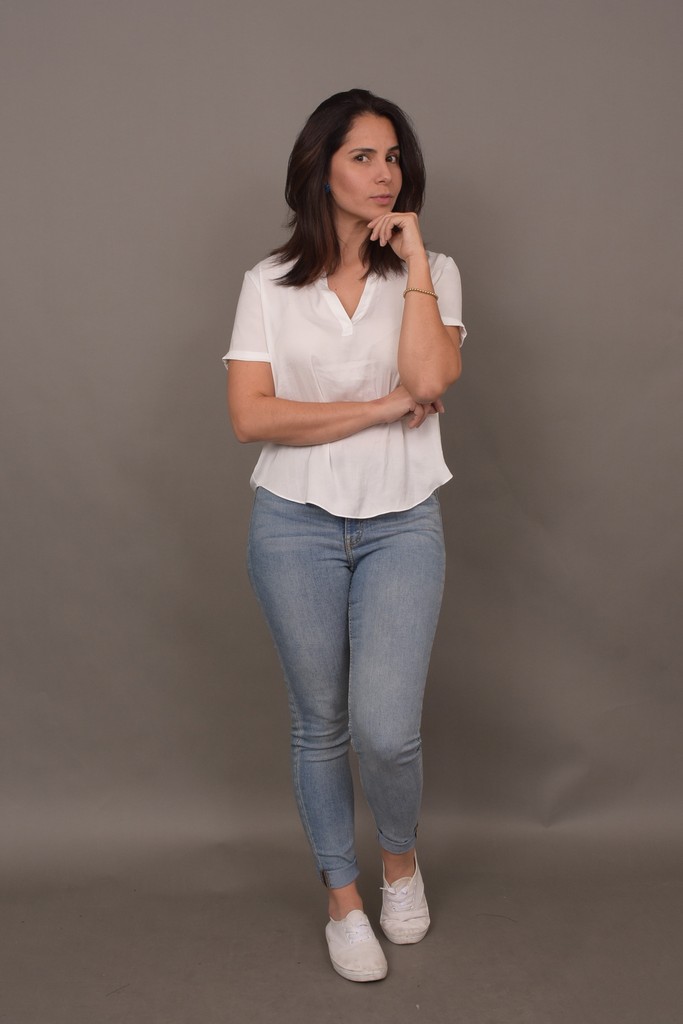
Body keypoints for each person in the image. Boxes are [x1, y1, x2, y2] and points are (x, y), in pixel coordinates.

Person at [224, 88, 466, 982]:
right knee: (320, 722)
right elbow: (251, 418)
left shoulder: (432, 269)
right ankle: (342, 900)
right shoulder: (267, 284)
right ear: (319, 168)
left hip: (402, 520)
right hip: (293, 525)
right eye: (362, 156)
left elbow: (431, 376)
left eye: (393, 156)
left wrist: (417, 261)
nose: (383, 173)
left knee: (386, 730)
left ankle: (399, 864)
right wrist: (380, 408)